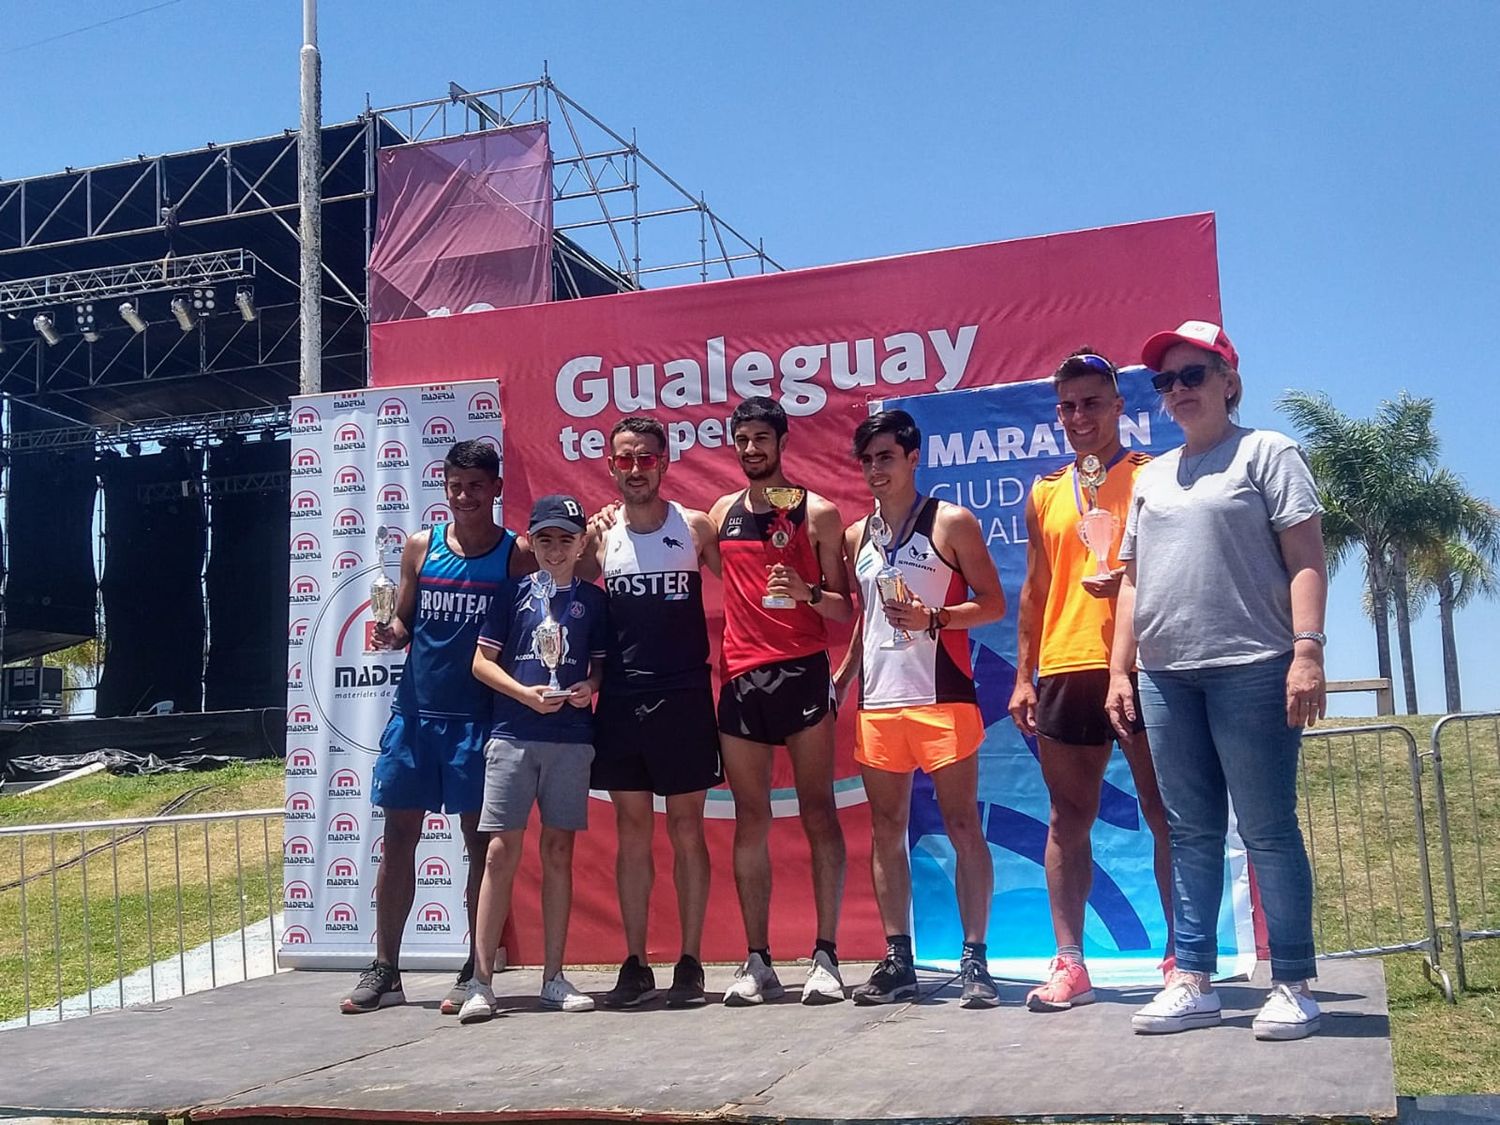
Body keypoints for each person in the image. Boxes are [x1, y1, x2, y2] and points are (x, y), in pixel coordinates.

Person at [1105, 320, 1328, 1041]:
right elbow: (1133, 586)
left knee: (1266, 829)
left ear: (1228, 380)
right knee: (1190, 830)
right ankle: (1193, 977)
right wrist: (1120, 669)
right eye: (1164, 381)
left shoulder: (1269, 452)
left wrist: (1307, 652)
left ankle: (1292, 981)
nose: (1177, 391)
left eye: (1191, 375)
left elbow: (1306, 559)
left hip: (1255, 668)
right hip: (1168, 677)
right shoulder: (1148, 477)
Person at [340, 439, 531, 1015]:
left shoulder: (516, 554)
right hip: (416, 717)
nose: (465, 496)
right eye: (455, 485)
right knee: (399, 837)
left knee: (479, 845)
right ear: (443, 487)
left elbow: (524, 635)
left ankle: (475, 970)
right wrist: (391, 633)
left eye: (476, 485)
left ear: (496, 488)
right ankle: (386, 969)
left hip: (480, 721)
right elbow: (403, 619)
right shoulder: (421, 546)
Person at [1007, 350, 1173, 1013]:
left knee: (1167, 815)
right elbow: (1035, 591)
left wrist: (1133, 580)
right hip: (1066, 664)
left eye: (1092, 402)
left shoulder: (1154, 476)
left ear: (1118, 406)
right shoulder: (1046, 491)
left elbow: (1178, 564)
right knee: (1066, 818)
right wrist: (1023, 675)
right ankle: (1071, 963)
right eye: (1068, 405)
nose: (1079, 416)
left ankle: (1183, 956)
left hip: (1140, 663)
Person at [834, 410, 1006, 1008]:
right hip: (879, 703)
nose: (876, 469)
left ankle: (975, 959)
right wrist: (844, 675)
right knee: (886, 831)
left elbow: (993, 604)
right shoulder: (858, 536)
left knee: (962, 826)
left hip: (942, 697)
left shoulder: (950, 521)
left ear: (913, 457)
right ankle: (897, 957)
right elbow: (866, 619)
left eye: (887, 456)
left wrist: (935, 618)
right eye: (868, 459)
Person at [711, 395, 852, 1006]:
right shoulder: (721, 511)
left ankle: (826, 956)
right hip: (740, 679)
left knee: (819, 811)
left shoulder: (817, 513)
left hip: (800, 673)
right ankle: (758, 960)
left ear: (782, 442)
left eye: (761, 439)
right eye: (742, 440)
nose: (750, 450)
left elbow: (846, 607)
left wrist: (806, 592)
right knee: (751, 820)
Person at [589, 416, 723, 1009]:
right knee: (632, 834)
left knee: (688, 831)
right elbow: (553, 590)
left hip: (685, 697)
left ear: (665, 462)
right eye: (625, 460)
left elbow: (747, 588)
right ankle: (636, 961)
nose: (636, 469)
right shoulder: (597, 535)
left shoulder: (693, 527)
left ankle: (690, 962)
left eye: (646, 458)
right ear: (611, 466)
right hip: (618, 700)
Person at [459, 494, 610, 1021]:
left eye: (565, 539)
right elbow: (482, 663)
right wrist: (526, 695)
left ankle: (554, 976)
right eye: (544, 538)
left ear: (581, 543)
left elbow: (596, 670)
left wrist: (587, 689)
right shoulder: (511, 593)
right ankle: (480, 981)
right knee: (500, 851)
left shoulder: (594, 600)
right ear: (530, 542)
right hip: (513, 733)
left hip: (570, 736)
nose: (554, 548)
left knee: (559, 853)